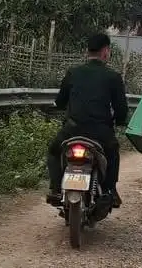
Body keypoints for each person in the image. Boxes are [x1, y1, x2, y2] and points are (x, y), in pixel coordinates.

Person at [46, 32, 128, 208]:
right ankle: (109, 191)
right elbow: (121, 109)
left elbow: (60, 102)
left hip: (72, 129)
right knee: (112, 152)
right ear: (105, 51)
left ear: (87, 51)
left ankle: (54, 188)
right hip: (100, 132)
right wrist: (120, 121)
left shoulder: (73, 73)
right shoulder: (113, 77)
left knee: (54, 151)